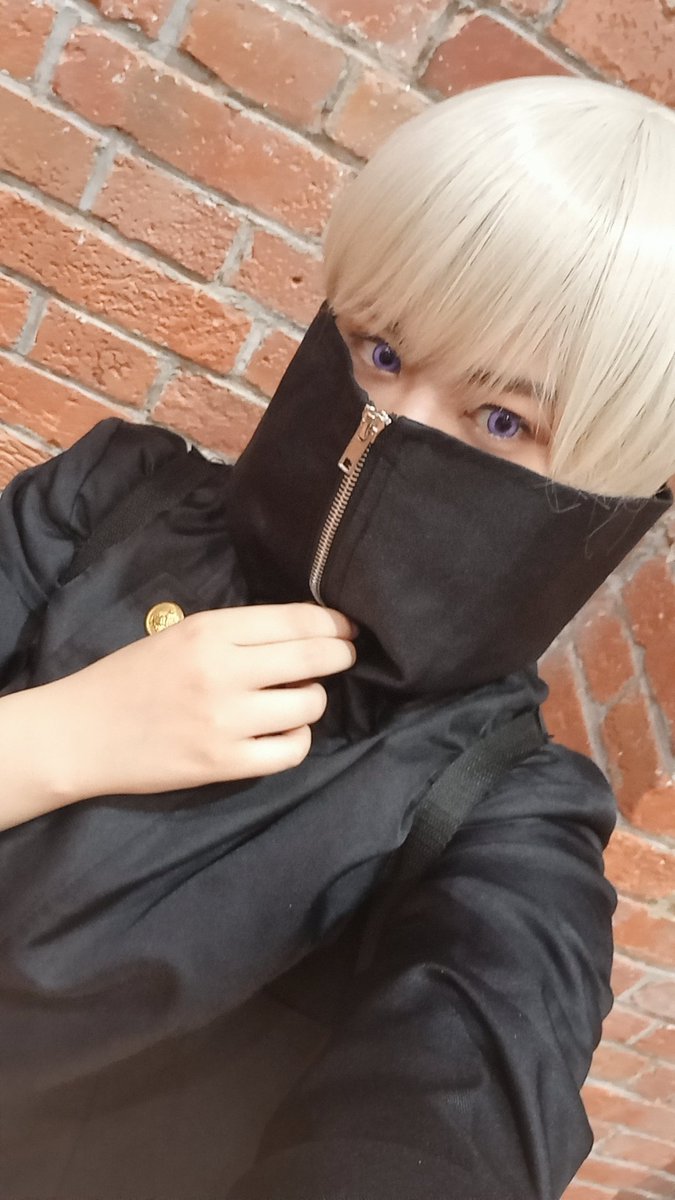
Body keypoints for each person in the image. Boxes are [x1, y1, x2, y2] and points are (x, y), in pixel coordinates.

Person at [0, 73, 673, 1200]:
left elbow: (460, 1102)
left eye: (501, 418)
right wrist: (58, 737)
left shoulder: (502, 812)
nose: (390, 422)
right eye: (382, 351)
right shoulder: (107, 499)